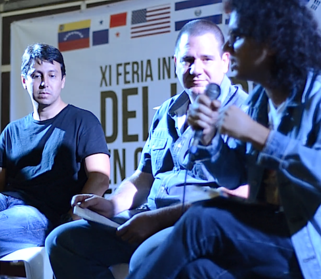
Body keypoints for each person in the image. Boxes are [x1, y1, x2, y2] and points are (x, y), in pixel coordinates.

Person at [127, 0, 321, 278]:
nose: (227, 49)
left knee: (201, 219)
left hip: (307, 243)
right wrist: (209, 140)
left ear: (270, 41)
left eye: (237, 37)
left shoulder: (315, 95)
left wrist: (258, 135)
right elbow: (234, 177)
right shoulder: (258, 102)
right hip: (262, 235)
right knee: (194, 272)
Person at [46, 19, 249, 279]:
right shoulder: (167, 111)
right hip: (146, 218)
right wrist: (112, 205)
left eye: (206, 59)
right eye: (187, 60)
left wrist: (157, 220)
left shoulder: (245, 111)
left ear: (225, 61)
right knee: (62, 241)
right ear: (175, 62)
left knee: (146, 258)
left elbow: (237, 194)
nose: (196, 69)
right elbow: (145, 176)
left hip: (195, 226)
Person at [0, 43, 111, 278]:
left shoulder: (82, 121)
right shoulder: (13, 130)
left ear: (62, 80)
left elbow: (101, 177)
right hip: (6, 203)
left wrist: (75, 215)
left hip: (42, 215)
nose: (44, 83)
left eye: (52, 75)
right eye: (37, 75)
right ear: (25, 81)